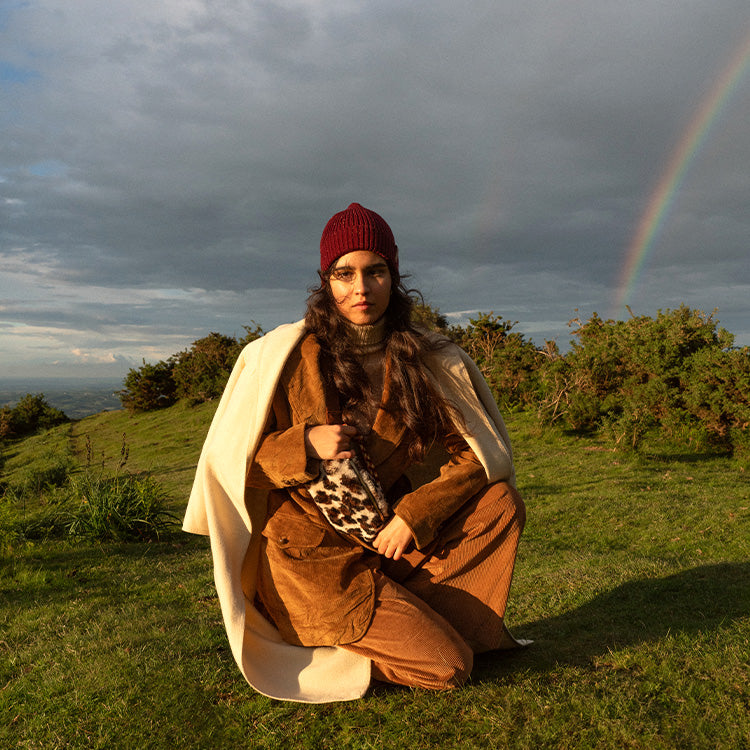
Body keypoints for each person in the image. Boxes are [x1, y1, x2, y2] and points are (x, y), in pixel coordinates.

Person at [183, 203, 526, 703]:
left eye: (375, 272)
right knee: (449, 668)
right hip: (316, 563)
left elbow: (477, 455)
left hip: (390, 539)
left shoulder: (425, 357)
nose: (360, 289)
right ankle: (364, 640)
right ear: (326, 281)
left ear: (393, 276)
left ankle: (418, 622)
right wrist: (302, 444)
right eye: (345, 274)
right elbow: (235, 466)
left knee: (500, 505)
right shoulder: (278, 358)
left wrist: (415, 515)